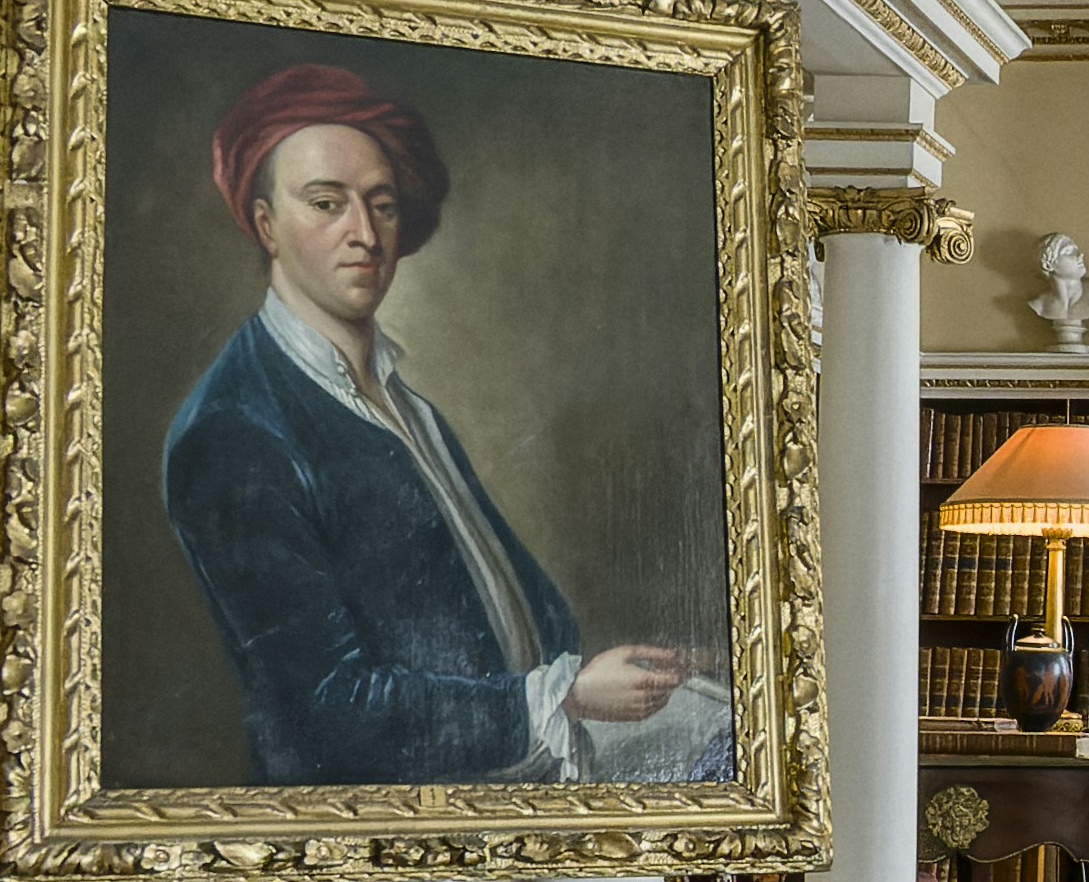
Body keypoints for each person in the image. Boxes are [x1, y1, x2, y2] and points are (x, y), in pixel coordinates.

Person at [159, 62, 733, 787]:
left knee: (727, 735)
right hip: (383, 804)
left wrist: (624, 677)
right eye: (326, 204)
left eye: (382, 204)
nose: (363, 233)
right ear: (266, 223)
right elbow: (327, 711)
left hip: (515, 763)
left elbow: (499, 598)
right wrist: (565, 696)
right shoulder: (235, 429)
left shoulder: (403, 401)